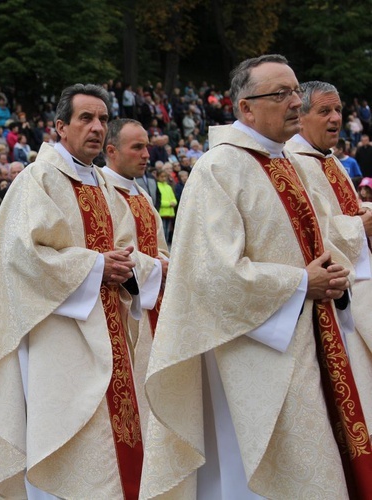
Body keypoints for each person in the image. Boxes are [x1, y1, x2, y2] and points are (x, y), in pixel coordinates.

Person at [141, 55, 364, 499]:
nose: (295, 102)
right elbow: (213, 273)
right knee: (262, 472)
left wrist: (332, 271)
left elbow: (316, 239)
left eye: (296, 91)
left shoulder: (293, 162)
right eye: (280, 94)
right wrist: (301, 283)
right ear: (246, 108)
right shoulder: (218, 169)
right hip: (252, 351)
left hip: (308, 335)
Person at [0, 84, 140, 499]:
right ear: (60, 127)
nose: (97, 127)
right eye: (85, 118)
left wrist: (126, 267)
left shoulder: (104, 184)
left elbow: (126, 247)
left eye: (102, 119)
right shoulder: (37, 180)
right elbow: (22, 256)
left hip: (109, 326)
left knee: (112, 438)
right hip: (57, 334)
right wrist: (96, 265)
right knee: (67, 433)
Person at [285, 80, 372, 428]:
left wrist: (362, 212)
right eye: (324, 111)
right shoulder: (293, 163)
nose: (335, 117)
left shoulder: (332, 162)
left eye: (338, 110)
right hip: (328, 298)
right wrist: (360, 227)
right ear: (300, 116)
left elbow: (341, 212)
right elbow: (306, 233)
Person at [102, 118, 169, 435]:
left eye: (148, 147)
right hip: (126, 308)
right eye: (137, 147)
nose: (147, 155)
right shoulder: (103, 192)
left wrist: (165, 263)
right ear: (112, 150)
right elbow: (113, 250)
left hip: (155, 304)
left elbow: (160, 245)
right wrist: (157, 267)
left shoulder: (141, 193)